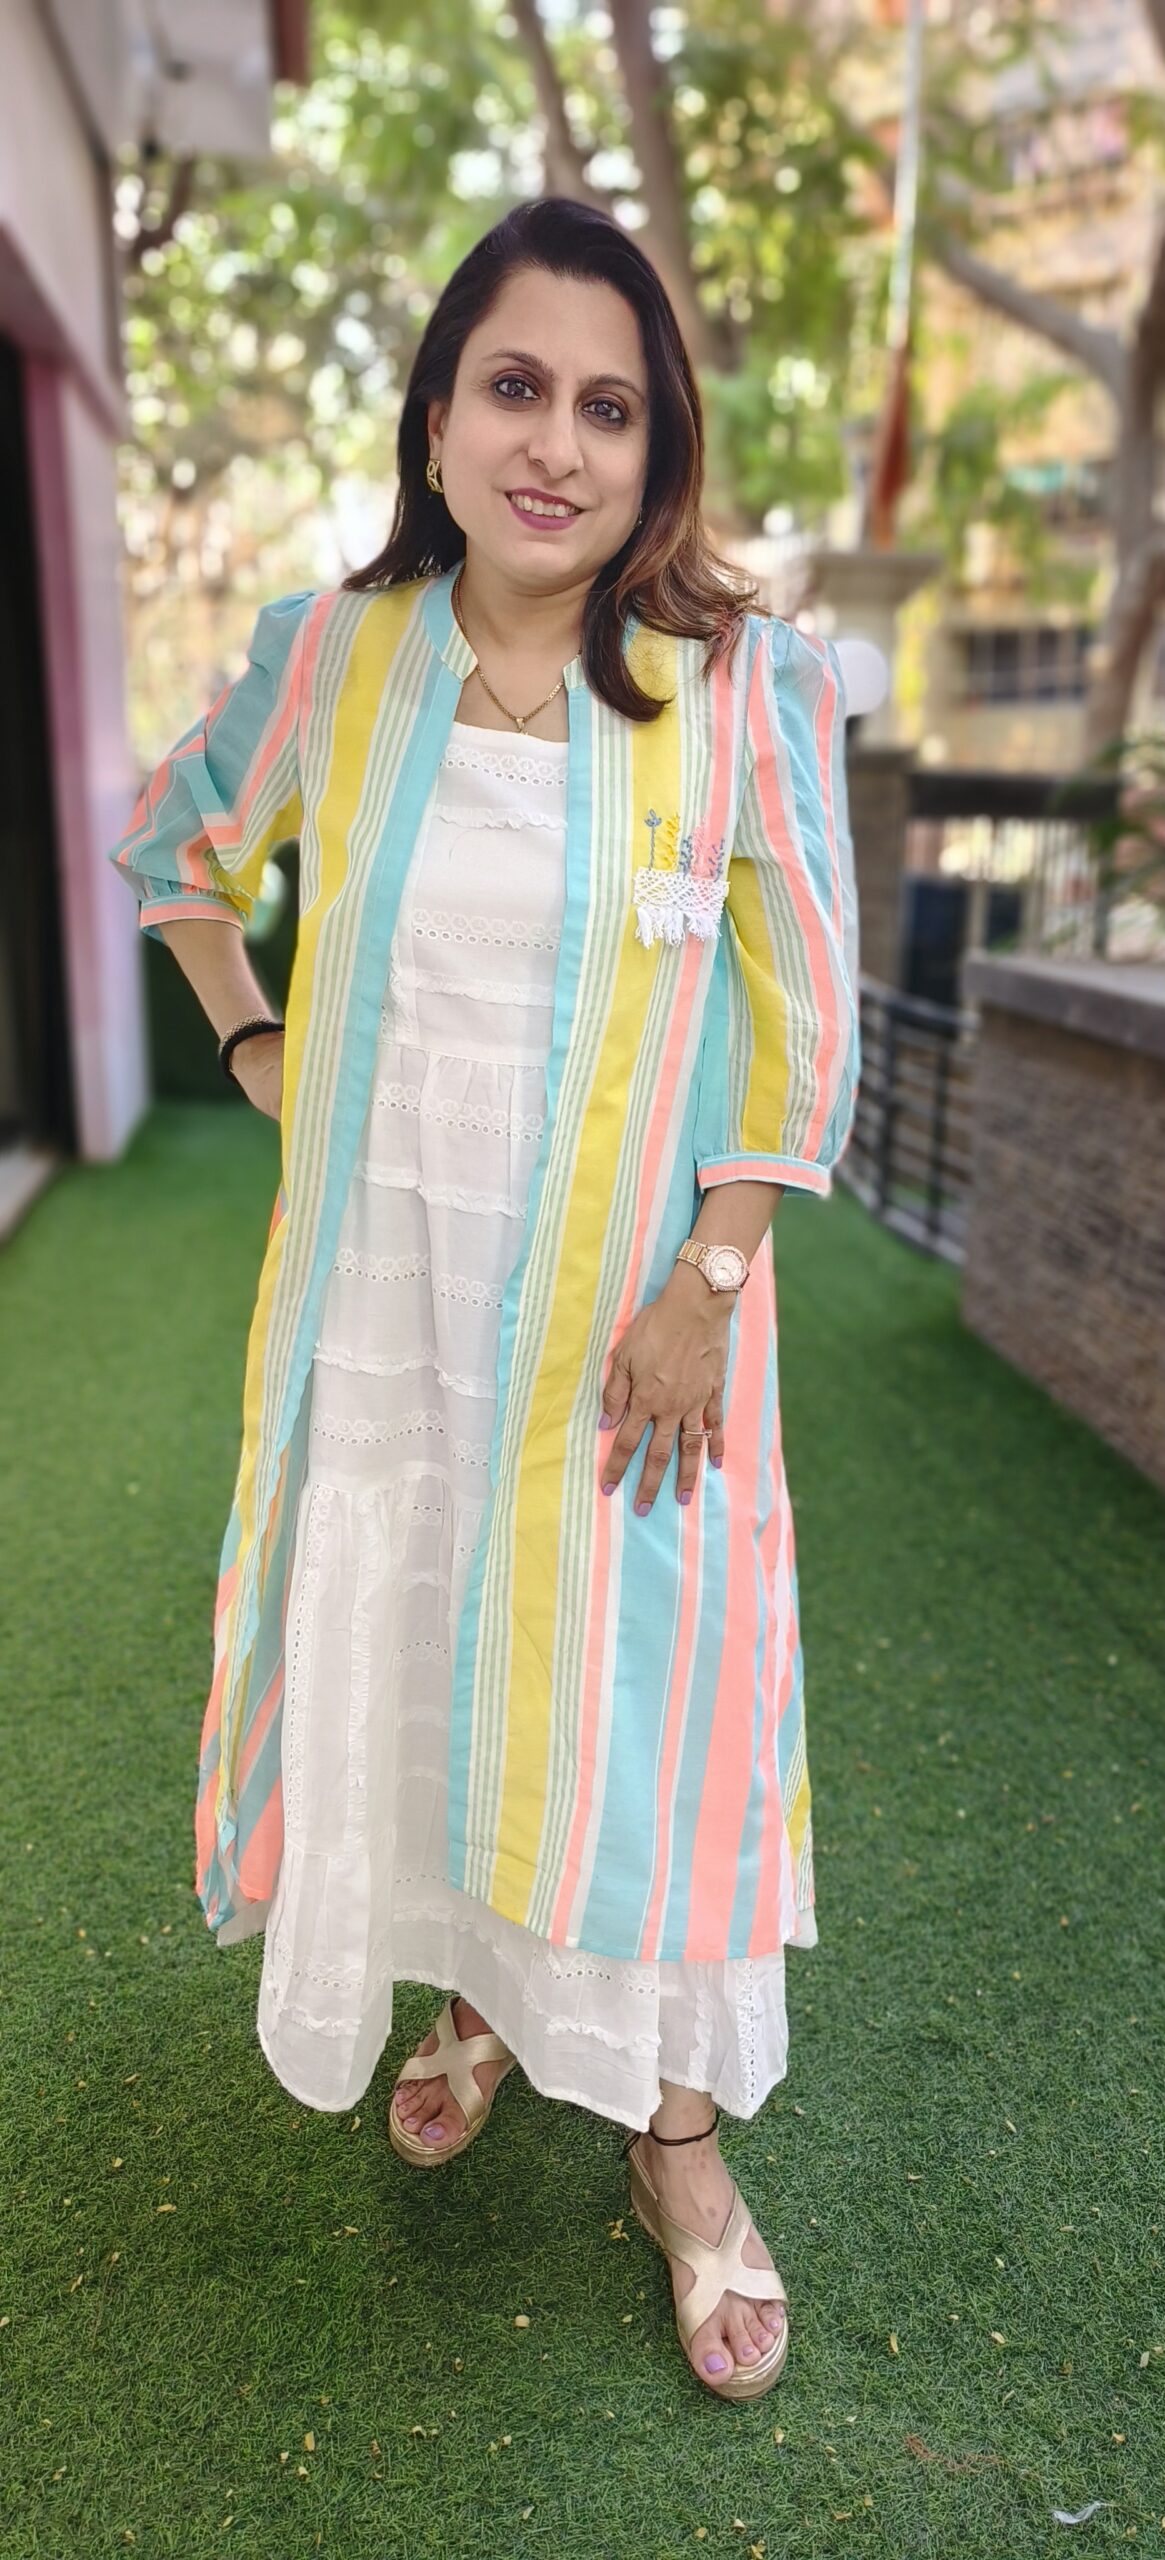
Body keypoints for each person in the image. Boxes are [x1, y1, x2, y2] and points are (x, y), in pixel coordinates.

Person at [108, 197, 859, 2405]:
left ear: (657, 454)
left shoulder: (744, 687)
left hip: (632, 1330)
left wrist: (710, 1279)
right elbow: (175, 850)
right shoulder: (335, 657)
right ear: (436, 416)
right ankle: (481, 1999)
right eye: (514, 388)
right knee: (427, 1638)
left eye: (608, 408)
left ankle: (677, 2147)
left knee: (644, 1698)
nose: (557, 444)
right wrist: (256, 1040)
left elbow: (803, 1019)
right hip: (387, 1299)